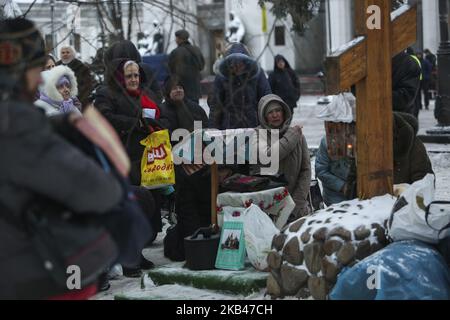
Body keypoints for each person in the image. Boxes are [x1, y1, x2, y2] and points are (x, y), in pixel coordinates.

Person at [0, 18, 126, 299]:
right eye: (37, 68)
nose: (42, 77)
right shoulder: (18, 125)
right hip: (31, 277)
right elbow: (100, 191)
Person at [252, 94, 311, 219]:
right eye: (270, 112)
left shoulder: (297, 135)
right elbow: (268, 156)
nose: (275, 115)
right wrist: (290, 137)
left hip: (296, 208)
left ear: (284, 112)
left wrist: (295, 204)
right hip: (266, 208)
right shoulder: (256, 134)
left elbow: (305, 171)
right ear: (264, 117)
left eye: (278, 110)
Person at [208, 43, 272, 130]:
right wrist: (213, 130)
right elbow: (216, 105)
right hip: (229, 128)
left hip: (254, 126)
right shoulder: (222, 77)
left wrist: (268, 126)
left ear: (246, 62)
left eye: (240, 63)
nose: (237, 67)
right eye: (234, 64)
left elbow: (266, 98)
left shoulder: (257, 74)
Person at [168, 30, 205, 103]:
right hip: (195, 88)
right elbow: (202, 66)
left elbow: (170, 70)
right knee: (195, 110)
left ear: (179, 39)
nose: (175, 40)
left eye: (176, 38)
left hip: (181, 88)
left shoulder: (175, 52)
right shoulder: (196, 50)